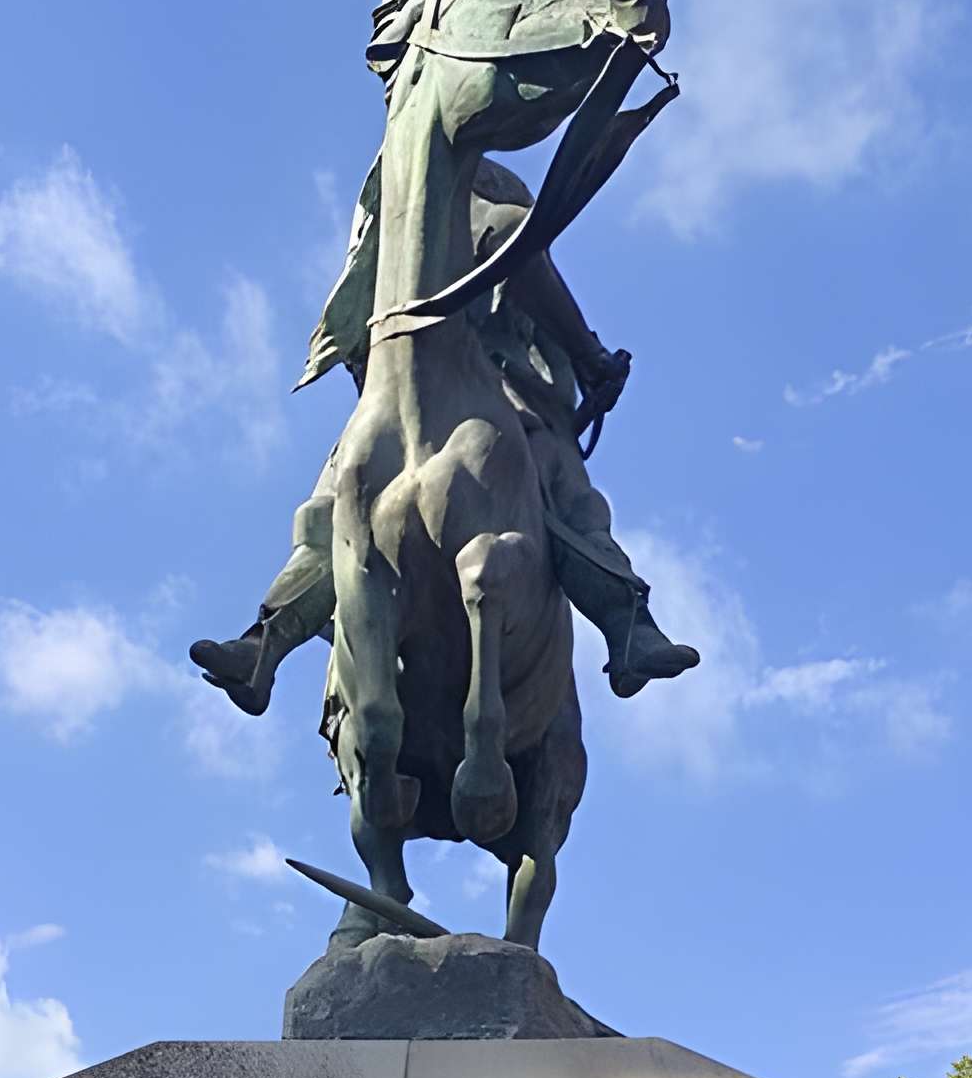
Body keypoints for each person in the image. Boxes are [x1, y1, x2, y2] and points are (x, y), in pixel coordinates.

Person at [190, 157, 697, 718]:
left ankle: (626, 627)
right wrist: (589, 355)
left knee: (336, 504)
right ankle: (267, 641)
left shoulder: (407, 182)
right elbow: (510, 242)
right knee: (334, 507)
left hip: (474, 378)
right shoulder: (416, 182)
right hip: (423, 381)